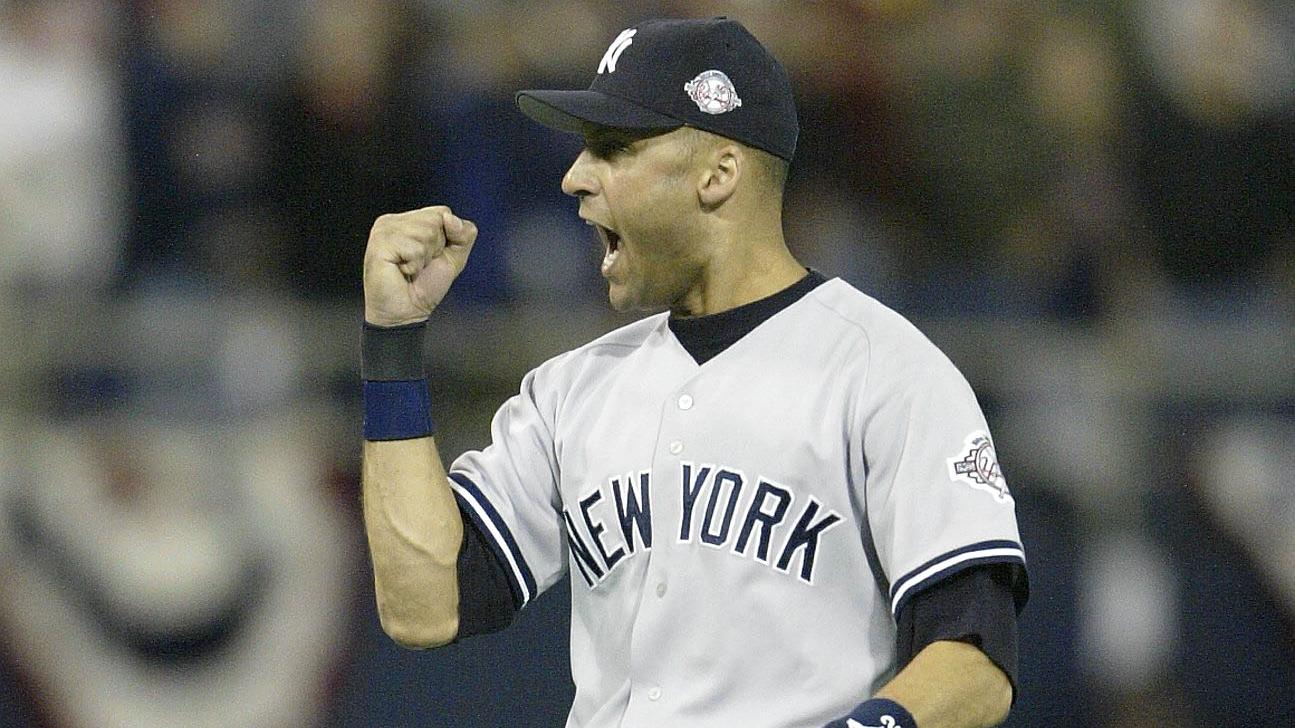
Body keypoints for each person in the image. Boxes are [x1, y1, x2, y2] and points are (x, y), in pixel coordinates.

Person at [360, 17, 1027, 728]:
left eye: (612, 149)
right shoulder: (572, 390)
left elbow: (974, 659)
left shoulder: (885, 372)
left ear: (718, 173)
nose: (574, 177)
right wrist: (392, 344)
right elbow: (424, 603)